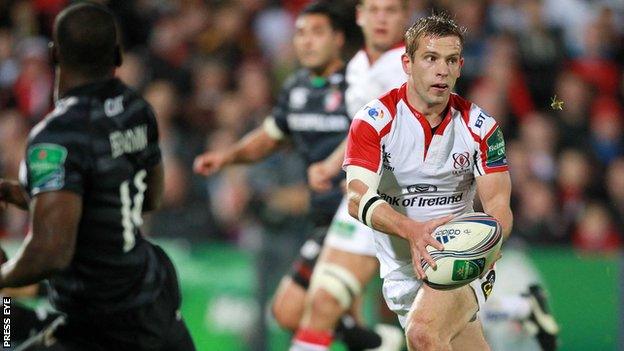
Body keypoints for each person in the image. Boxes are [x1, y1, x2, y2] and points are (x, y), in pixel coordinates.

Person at [0, 3, 195, 350]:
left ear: (54, 54)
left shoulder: (56, 137)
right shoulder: (137, 110)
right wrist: (41, 196)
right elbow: (149, 198)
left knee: (5, 328)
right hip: (152, 302)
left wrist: (3, 277)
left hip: (98, 320)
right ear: (118, 55)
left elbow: (50, 253)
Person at [193, 2, 382, 349]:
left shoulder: (360, 84)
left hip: (357, 216)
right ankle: (371, 339)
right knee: (286, 313)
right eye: (301, 34)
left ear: (339, 39)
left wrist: (356, 170)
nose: (306, 42)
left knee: (327, 309)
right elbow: (269, 136)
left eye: (317, 33)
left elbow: (381, 132)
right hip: (321, 220)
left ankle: (367, 333)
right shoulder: (296, 89)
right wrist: (228, 157)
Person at [342, 14, 513, 350]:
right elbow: (356, 197)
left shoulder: (481, 128)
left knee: (423, 335)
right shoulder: (375, 121)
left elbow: (499, 206)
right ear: (408, 63)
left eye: (451, 60)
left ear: (461, 66)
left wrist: (490, 244)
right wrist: (412, 231)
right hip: (401, 270)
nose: (442, 70)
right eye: (431, 58)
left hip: (458, 260)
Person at [290, 0, 409, 350]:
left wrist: (373, 170)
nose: (381, 19)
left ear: (405, 16)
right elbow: (363, 129)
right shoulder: (357, 66)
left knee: (422, 323)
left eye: (391, 10)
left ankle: (520, 311)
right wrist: (332, 164)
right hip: (362, 199)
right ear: (359, 16)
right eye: (374, 10)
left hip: (412, 204)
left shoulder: (415, 67)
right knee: (323, 303)